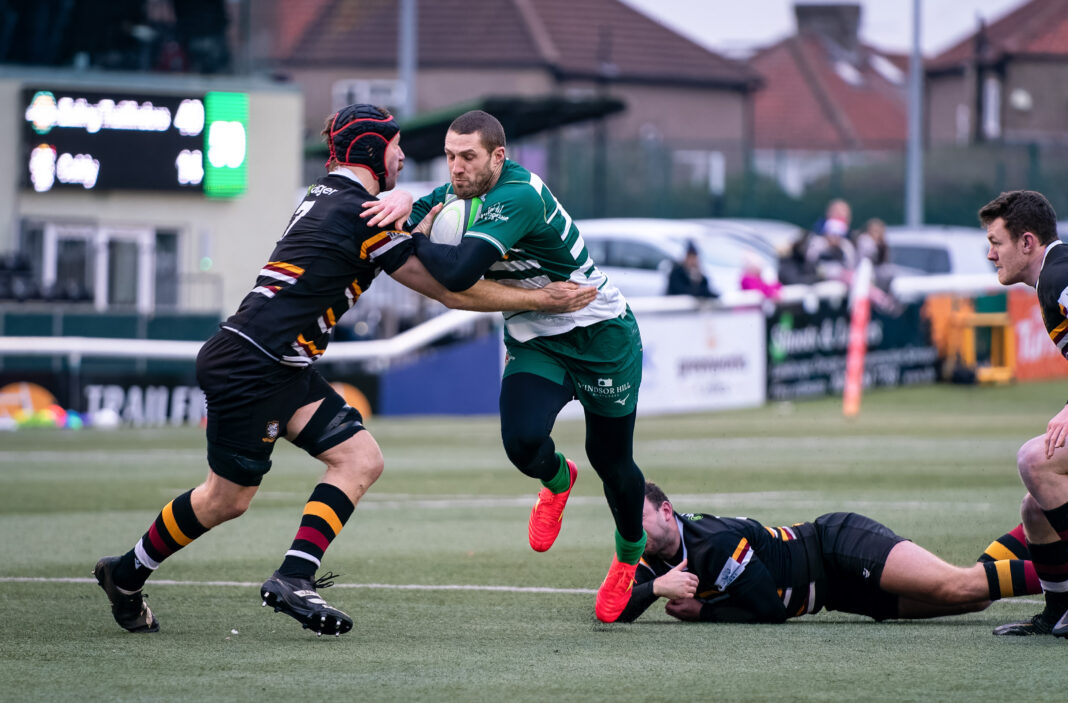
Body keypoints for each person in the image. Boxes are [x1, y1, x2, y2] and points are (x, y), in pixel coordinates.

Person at [92, 104, 596, 637]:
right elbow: (451, 290)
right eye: (397, 145)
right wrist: (541, 299)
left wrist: (413, 209)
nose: (403, 156)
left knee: (359, 458)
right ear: (375, 151)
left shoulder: (327, 194)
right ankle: (127, 574)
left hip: (275, 360)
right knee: (226, 499)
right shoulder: (361, 214)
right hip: (255, 362)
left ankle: (291, 575)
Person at [365, 109, 648, 623]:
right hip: (536, 334)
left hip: (599, 333)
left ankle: (629, 557)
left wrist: (420, 240)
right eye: (450, 157)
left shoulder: (516, 195)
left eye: (468, 157)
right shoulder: (455, 192)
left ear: (498, 156)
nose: (456, 168)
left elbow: (456, 274)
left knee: (613, 461)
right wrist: (405, 199)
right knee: (521, 443)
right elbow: (411, 214)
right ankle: (559, 479)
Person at [617, 482, 1041, 624]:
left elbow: (769, 609)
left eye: (636, 517)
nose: (630, 529)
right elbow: (614, 609)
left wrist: (703, 612)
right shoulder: (648, 557)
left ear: (666, 511)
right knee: (975, 598)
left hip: (837, 546)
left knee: (955, 586)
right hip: (837, 595)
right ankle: (1033, 526)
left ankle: (1055, 567)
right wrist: (655, 587)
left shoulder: (713, 542)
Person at [979, 189, 1068, 638]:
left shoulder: (1060, 275)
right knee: (1035, 511)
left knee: (1035, 459)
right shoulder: (1053, 276)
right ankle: (1057, 612)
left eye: (996, 241)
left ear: (1027, 242)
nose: (989, 252)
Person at [805, 198, 857, 282]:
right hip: (820, 275)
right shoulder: (817, 239)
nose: (841, 215)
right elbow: (809, 261)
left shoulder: (847, 245)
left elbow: (851, 266)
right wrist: (827, 244)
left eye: (844, 213)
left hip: (845, 278)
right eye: (837, 212)